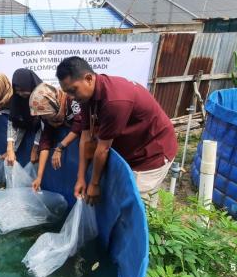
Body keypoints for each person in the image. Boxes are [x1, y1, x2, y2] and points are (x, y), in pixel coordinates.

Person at [56, 56, 177, 207]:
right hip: (132, 149)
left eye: (73, 90)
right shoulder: (86, 97)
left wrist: (93, 184)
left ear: (88, 79)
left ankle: (153, 225)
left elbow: (103, 148)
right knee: (125, 196)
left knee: (136, 203)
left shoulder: (115, 101)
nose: (72, 97)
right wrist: (80, 177)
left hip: (152, 152)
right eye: (68, 93)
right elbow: (85, 137)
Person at [28, 83, 83, 191]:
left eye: (44, 113)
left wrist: (59, 148)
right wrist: (39, 177)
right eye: (41, 114)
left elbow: (80, 124)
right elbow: (45, 141)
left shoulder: (72, 99)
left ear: (53, 104)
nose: (43, 117)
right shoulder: (48, 117)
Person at [9, 68, 43, 163]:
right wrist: (11, 148)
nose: (20, 94)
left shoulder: (42, 96)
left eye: (23, 90)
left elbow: (44, 125)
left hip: (42, 137)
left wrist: (35, 148)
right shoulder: (16, 99)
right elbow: (13, 122)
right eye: (17, 91)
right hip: (24, 137)